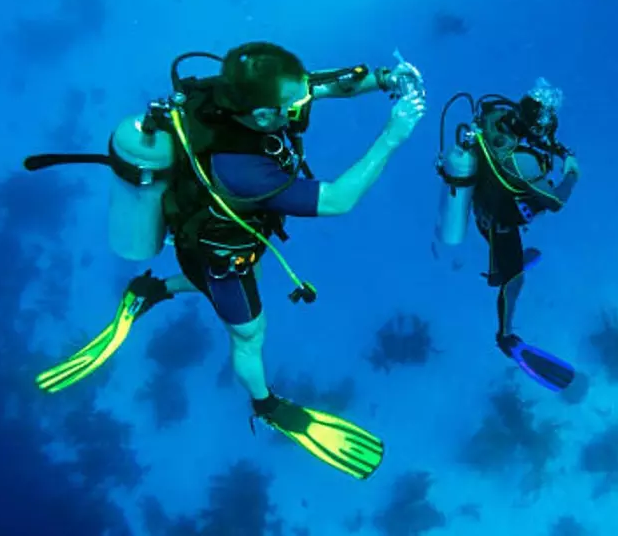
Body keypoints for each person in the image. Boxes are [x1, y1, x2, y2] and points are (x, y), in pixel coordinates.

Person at [29, 42, 426, 479]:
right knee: (250, 335)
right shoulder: (241, 169)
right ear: (262, 116)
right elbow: (337, 200)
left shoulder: (237, 92)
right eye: (290, 103)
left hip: (227, 239)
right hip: (221, 257)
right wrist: (394, 134)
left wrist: (386, 79)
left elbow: (319, 85)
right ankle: (265, 404)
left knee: (242, 271)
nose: (303, 100)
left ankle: (152, 290)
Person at [434, 79, 580, 392]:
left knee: (506, 249)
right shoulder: (523, 160)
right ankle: (505, 335)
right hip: (501, 226)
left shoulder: (496, 116)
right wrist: (571, 173)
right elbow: (554, 202)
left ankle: (504, 267)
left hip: (482, 209)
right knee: (516, 281)